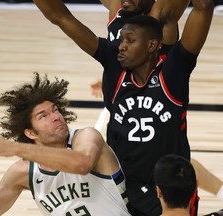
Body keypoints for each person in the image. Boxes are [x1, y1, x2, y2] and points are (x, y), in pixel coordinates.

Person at [33, 0, 214, 215]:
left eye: (129, 41)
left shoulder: (172, 74)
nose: (121, 45)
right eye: (121, 40)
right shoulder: (115, 67)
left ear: (152, 45)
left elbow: (203, 7)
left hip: (170, 187)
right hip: (123, 187)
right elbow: (61, 17)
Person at [0, 72, 130, 216]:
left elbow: (81, 164)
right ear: (31, 133)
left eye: (55, 110)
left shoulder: (86, 137)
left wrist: (14, 148)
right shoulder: (23, 172)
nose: (56, 117)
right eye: (44, 116)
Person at [90, 0, 223, 201]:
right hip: (123, 94)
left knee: (170, 161)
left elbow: (202, 7)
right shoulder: (117, 9)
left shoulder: (160, 12)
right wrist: (110, 75)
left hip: (160, 88)